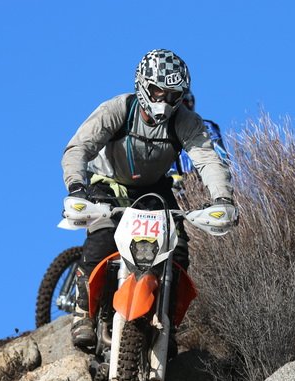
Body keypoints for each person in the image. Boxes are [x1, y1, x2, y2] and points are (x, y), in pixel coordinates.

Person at [61, 49, 237, 349]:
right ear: (143, 85)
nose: (164, 101)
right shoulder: (117, 109)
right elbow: (79, 148)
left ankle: (167, 322)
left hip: (154, 189)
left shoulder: (185, 122)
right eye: (158, 91)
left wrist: (222, 197)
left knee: (178, 251)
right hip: (109, 183)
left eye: (173, 95)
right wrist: (77, 186)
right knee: (102, 238)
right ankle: (83, 313)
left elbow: (207, 159)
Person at [170, 90, 231, 185]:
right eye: (183, 103)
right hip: (175, 183)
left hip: (205, 180)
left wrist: (214, 174)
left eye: (189, 102)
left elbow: (221, 155)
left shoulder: (207, 126)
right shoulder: (166, 130)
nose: (186, 106)